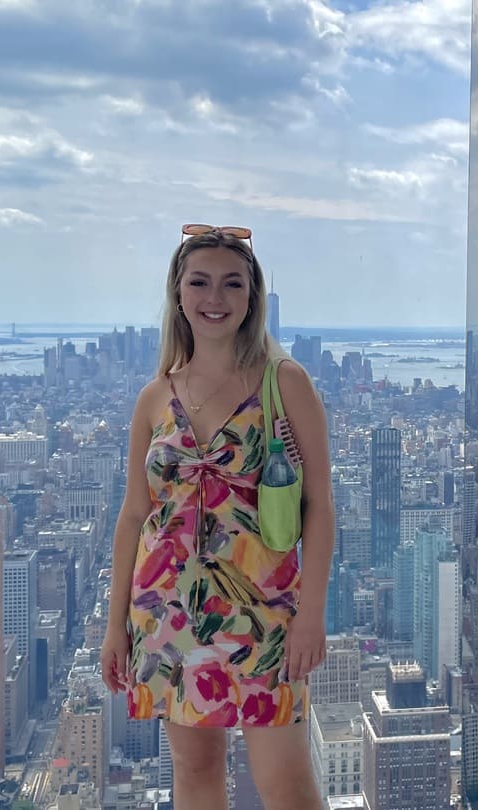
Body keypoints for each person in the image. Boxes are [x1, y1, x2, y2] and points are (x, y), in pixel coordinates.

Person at [100, 225, 334, 810]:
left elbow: (320, 507)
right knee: (194, 770)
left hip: (265, 610)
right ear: (178, 294)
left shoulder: (284, 383)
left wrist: (311, 616)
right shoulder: (155, 397)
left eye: (233, 284)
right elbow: (133, 516)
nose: (215, 297)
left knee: (286, 783)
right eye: (199, 282)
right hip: (167, 609)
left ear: (252, 298)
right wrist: (113, 627)